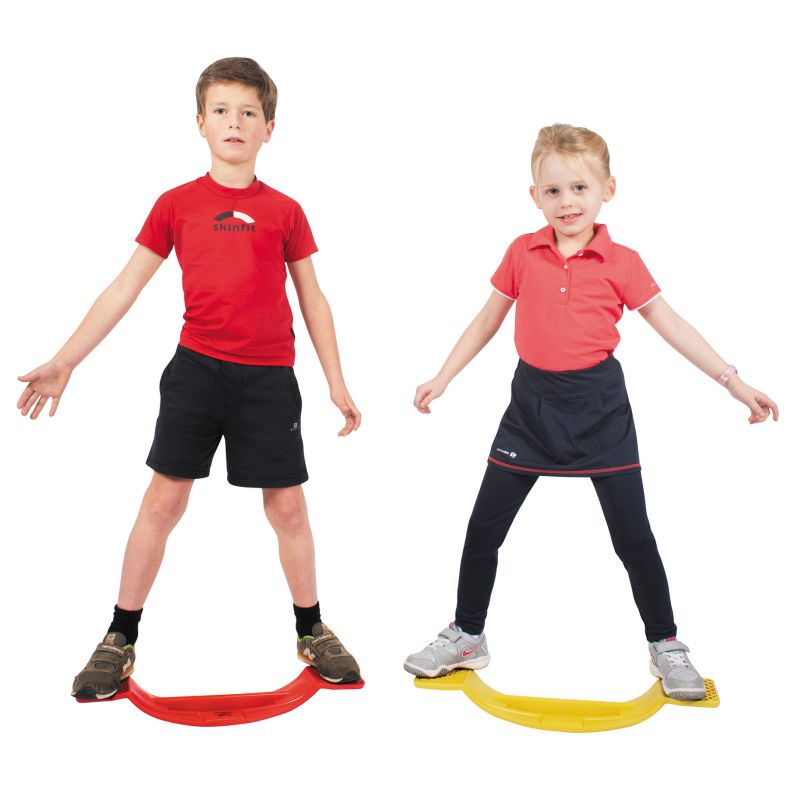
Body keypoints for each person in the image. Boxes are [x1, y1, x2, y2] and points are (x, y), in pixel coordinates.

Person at [17, 57, 361, 698]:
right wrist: (66, 360)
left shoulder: (286, 211)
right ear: (200, 123)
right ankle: (119, 636)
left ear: (269, 128)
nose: (235, 122)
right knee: (163, 502)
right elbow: (124, 287)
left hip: (269, 379)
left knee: (288, 507)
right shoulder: (176, 204)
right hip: (196, 373)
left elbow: (313, 298)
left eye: (249, 112)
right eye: (221, 110)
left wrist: (335, 381)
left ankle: (311, 628)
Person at [403, 123, 778, 700]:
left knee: (634, 538)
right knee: (483, 528)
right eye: (553, 191)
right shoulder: (522, 252)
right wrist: (443, 376)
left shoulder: (623, 262)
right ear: (535, 195)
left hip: (600, 410)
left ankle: (666, 644)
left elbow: (671, 323)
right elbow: (486, 320)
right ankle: (467, 635)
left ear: (608, 189)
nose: (567, 202)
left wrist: (734, 382)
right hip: (530, 408)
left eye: (580, 188)